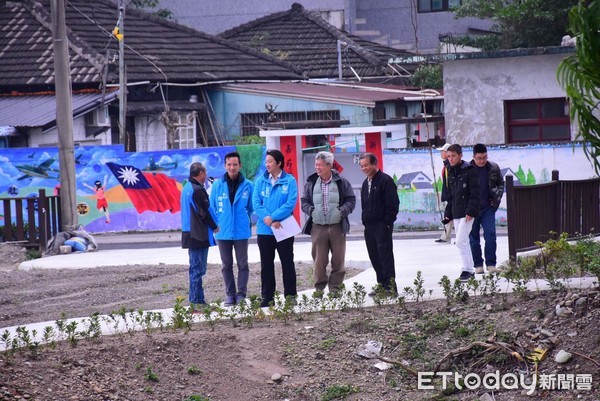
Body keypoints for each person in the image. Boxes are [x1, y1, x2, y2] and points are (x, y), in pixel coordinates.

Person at [301, 151, 356, 295]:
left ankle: (335, 289)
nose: (317, 168)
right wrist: (311, 211)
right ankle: (319, 288)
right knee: (319, 260)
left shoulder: (341, 181)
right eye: (316, 165)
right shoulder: (311, 182)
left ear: (329, 165)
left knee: (338, 259)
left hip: (337, 226)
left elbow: (351, 200)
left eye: (320, 165)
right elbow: (304, 202)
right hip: (318, 227)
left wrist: (342, 211)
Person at [252, 149, 298, 307]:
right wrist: (269, 220)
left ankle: (291, 295)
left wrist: (274, 217)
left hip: (283, 228)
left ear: (279, 163)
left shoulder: (290, 181)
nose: (267, 164)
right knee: (266, 264)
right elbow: (256, 203)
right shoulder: (260, 181)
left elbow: (290, 203)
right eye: (266, 162)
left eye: (270, 161)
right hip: (265, 230)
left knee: (287, 262)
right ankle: (267, 297)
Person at [209, 152, 254, 306]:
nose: (232, 167)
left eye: (235, 164)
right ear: (225, 165)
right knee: (226, 265)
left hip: (241, 231)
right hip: (222, 231)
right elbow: (212, 206)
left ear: (240, 165)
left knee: (243, 264)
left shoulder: (248, 185)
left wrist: (244, 220)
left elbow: (251, 207)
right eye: (229, 164)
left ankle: (241, 294)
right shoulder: (217, 185)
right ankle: (230, 295)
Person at [358, 152, 399, 295]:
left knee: (385, 255)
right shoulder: (365, 183)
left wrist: (388, 222)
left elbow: (393, 204)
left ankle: (391, 287)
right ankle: (381, 284)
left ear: (374, 164)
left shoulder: (385, 180)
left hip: (382, 224)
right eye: (362, 166)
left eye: (366, 165)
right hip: (369, 226)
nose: (364, 168)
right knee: (374, 256)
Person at [181, 162, 219, 311]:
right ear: (201, 173)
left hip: (190, 232)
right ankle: (197, 303)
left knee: (195, 269)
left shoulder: (186, 188)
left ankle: (198, 301)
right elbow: (205, 212)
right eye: (205, 172)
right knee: (198, 270)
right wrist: (214, 225)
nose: (206, 175)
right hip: (198, 233)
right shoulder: (198, 190)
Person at [444, 144, 480, 281]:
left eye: (453, 156)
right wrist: (448, 214)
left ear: (460, 155)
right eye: (449, 156)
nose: (451, 159)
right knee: (462, 242)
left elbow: (475, 192)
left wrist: (471, 210)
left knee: (460, 241)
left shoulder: (470, 170)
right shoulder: (449, 170)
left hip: (468, 212)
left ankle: (468, 269)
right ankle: (468, 269)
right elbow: (450, 195)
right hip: (456, 211)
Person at [469, 143, 505, 274]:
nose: (482, 161)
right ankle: (478, 265)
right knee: (473, 239)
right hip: (472, 210)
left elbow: (501, 183)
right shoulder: (467, 169)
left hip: (488, 209)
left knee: (490, 236)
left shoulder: (493, 167)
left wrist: (497, 196)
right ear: (473, 157)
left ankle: (491, 264)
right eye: (479, 158)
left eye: (484, 157)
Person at [435, 143, 453, 243]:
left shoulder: (449, 165)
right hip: (449, 195)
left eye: (443, 151)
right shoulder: (446, 165)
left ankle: (446, 236)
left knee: (449, 215)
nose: (441, 153)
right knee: (449, 215)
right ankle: (446, 236)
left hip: (451, 195)